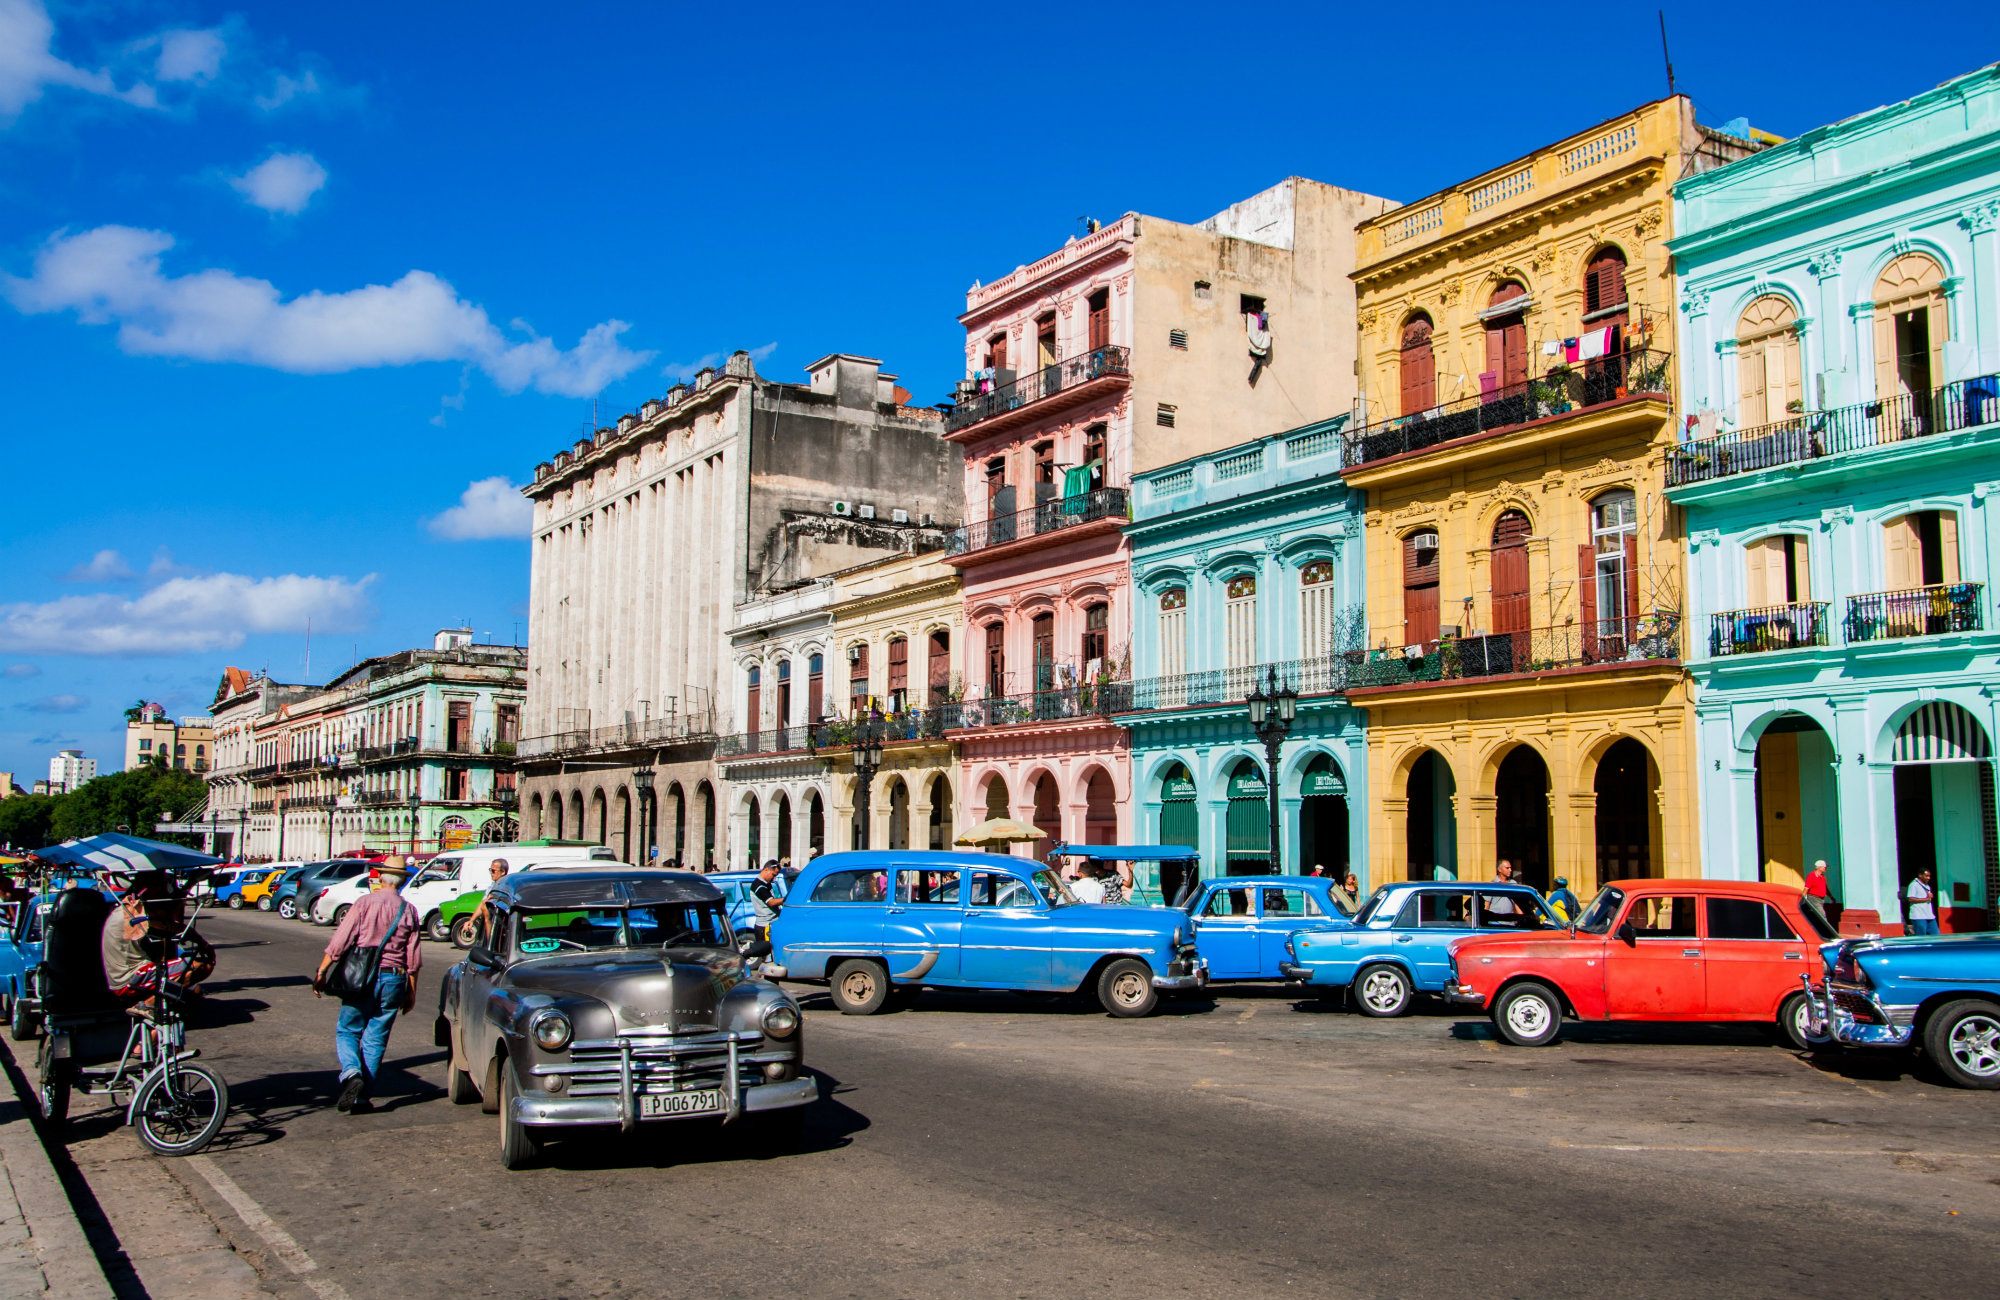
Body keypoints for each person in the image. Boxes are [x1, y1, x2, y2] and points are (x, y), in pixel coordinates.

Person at [315, 856, 421, 1114]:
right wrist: (411, 992)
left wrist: (322, 970)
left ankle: (352, 1073)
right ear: (402, 881)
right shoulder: (408, 910)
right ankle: (362, 1099)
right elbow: (413, 958)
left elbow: (341, 940)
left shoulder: (364, 903)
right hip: (394, 978)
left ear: (381, 877)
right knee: (376, 1039)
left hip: (361, 978)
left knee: (348, 1030)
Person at [101, 872, 215, 1003]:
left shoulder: (129, 907)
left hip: (121, 978)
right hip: (130, 979)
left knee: (192, 990)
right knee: (202, 966)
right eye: (163, 887)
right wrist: (204, 944)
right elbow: (173, 925)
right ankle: (147, 1005)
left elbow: (170, 918)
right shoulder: (136, 912)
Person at [471, 857, 509, 937]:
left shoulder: (505, 887)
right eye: (490, 870)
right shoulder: (492, 886)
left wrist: (487, 919)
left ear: (503, 872)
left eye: (493, 871)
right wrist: (471, 920)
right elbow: (483, 903)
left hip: (501, 928)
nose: (491, 873)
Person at [749, 859, 785, 940]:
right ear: (766, 870)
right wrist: (786, 899)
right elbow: (771, 902)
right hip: (764, 927)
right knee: (766, 951)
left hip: (772, 923)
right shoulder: (758, 885)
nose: (774, 878)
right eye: (773, 875)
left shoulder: (767, 883)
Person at [1905, 869, 1940, 937]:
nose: (1928, 878)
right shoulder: (1914, 885)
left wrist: (1929, 897)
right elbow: (1910, 898)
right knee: (1921, 937)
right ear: (1920, 875)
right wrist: (1926, 899)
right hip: (1919, 916)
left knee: (1936, 935)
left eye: (1929, 876)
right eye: (1926, 876)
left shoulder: (1927, 886)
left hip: (1929, 915)